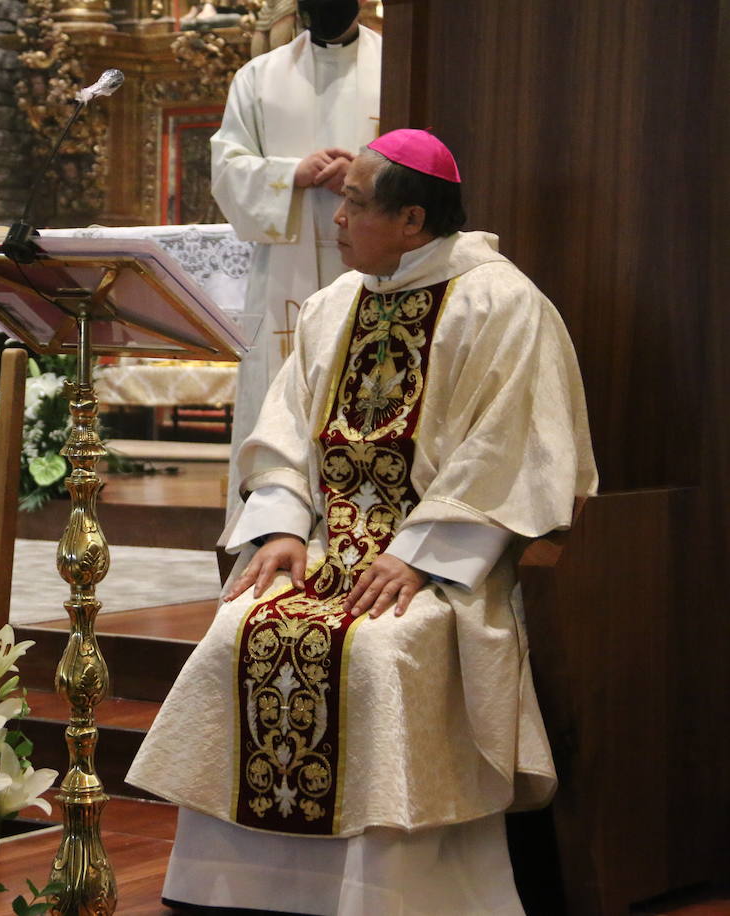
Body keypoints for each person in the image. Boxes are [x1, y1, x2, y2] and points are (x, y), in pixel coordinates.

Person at [128, 129, 597, 914]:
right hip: (324, 546)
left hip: (445, 562)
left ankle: (386, 894)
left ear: (412, 219)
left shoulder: (502, 303)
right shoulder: (335, 304)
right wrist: (280, 524)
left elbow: (514, 451)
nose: (335, 219)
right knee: (237, 627)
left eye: (352, 203)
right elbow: (281, 432)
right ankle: (235, 889)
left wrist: (421, 555)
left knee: (379, 648)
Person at [212, 0, 381, 525]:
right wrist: (292, 174)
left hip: (378, 266)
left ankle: (366, 523)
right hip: (285, 273)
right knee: (279, 395)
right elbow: (227, 170)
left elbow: (429, 158)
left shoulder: (398, 67)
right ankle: (270, 530)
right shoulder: (259, 76)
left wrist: (367, 173)